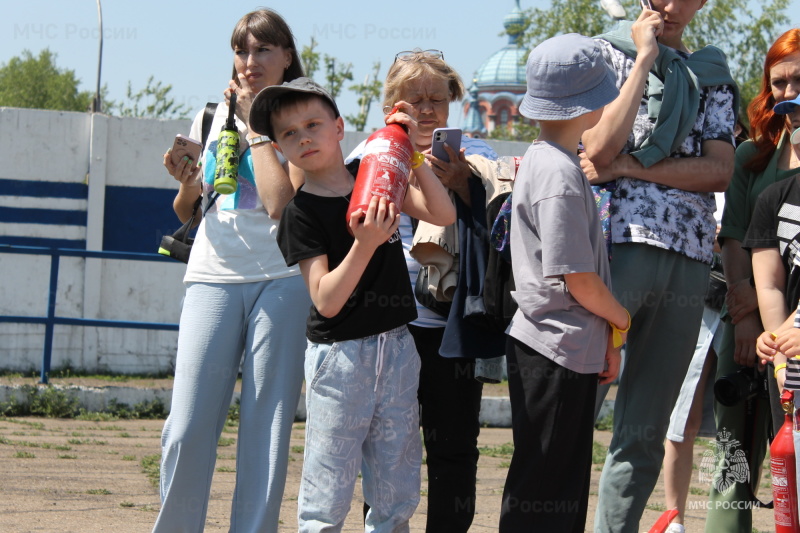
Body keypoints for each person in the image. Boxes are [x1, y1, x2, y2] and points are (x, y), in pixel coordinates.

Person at [249, 77, 455, 531]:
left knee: (396, 492)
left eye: (313, 124)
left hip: (398, 350)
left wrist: (410, 151)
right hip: (340, 359)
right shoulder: (298, 214)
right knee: (327, 496)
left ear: (339, 127)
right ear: (280, 148)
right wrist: (364, 245)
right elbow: (325, 299)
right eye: (288, 133)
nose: (303, 137)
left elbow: (443, 214)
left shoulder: (373, 174)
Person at [579, 0, 739, 529]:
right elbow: (598, 151)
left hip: (689, 262)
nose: (670, 6)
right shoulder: (604, 53)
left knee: (645, 431)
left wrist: (635, 167)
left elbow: (719, 171)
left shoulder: (711, 73)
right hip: (613, 250)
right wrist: (645, 60)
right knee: (573, 410)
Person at [152, 9, 310, 533]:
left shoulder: (305, 118)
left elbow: (281, 204)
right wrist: (187, 182)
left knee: (265, 431)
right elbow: (189, 210)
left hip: (283, 280)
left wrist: (257, 128)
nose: (250, 62)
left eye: (263, 50)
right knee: (187, 426)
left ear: (286, 56)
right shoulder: (210, 116)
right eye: (242, 51)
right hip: (212, 274)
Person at [344, 49, 504, 533]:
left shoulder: (479, 153)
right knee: (385, 447)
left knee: (454, 447)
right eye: (415, 99)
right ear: (392, 103)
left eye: (438, 98)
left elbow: (502, 222)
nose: (428, 109)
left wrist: (466, 185)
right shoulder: (367, 152)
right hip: (389, 327)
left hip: (452, 330)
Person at [499, 33, 628, 533]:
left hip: (562, 345)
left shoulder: (547, 159)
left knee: (553, 483)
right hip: (555, 347)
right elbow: (578, 278)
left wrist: (608, 337)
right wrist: (622, 319)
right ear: (590, 103)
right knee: (545, 488)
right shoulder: (559, 171)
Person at [706, 29, 800, 532]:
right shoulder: (753, 157)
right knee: (733, 462)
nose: (788, 92)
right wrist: (746, 324)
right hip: (750, 328)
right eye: (778, 82)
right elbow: (733, 240)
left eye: (799, 80)